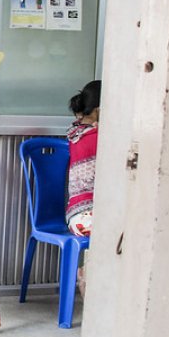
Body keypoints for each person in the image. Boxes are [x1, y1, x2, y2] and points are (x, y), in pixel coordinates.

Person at [65, 79, 101, 296]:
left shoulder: (77, 132)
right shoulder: (99, 137)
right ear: (98, 111)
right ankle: (89, 276)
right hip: (86, 216)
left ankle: (89, 274)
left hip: (76, 216)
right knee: (123, 232)